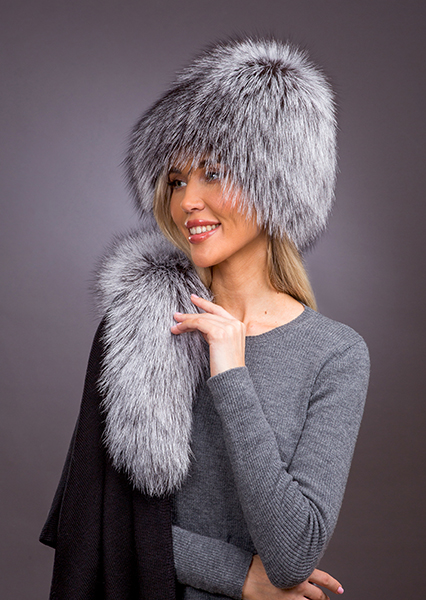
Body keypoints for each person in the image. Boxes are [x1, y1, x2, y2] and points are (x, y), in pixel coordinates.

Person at [40, 37, 370, 600]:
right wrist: (237, 575)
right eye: (176, 180)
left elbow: (293, 552)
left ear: (275, 184)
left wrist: (231, 373)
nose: (187, 201)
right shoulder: (142, 325)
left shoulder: (334, 354)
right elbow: (88, 522)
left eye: (213, 173)